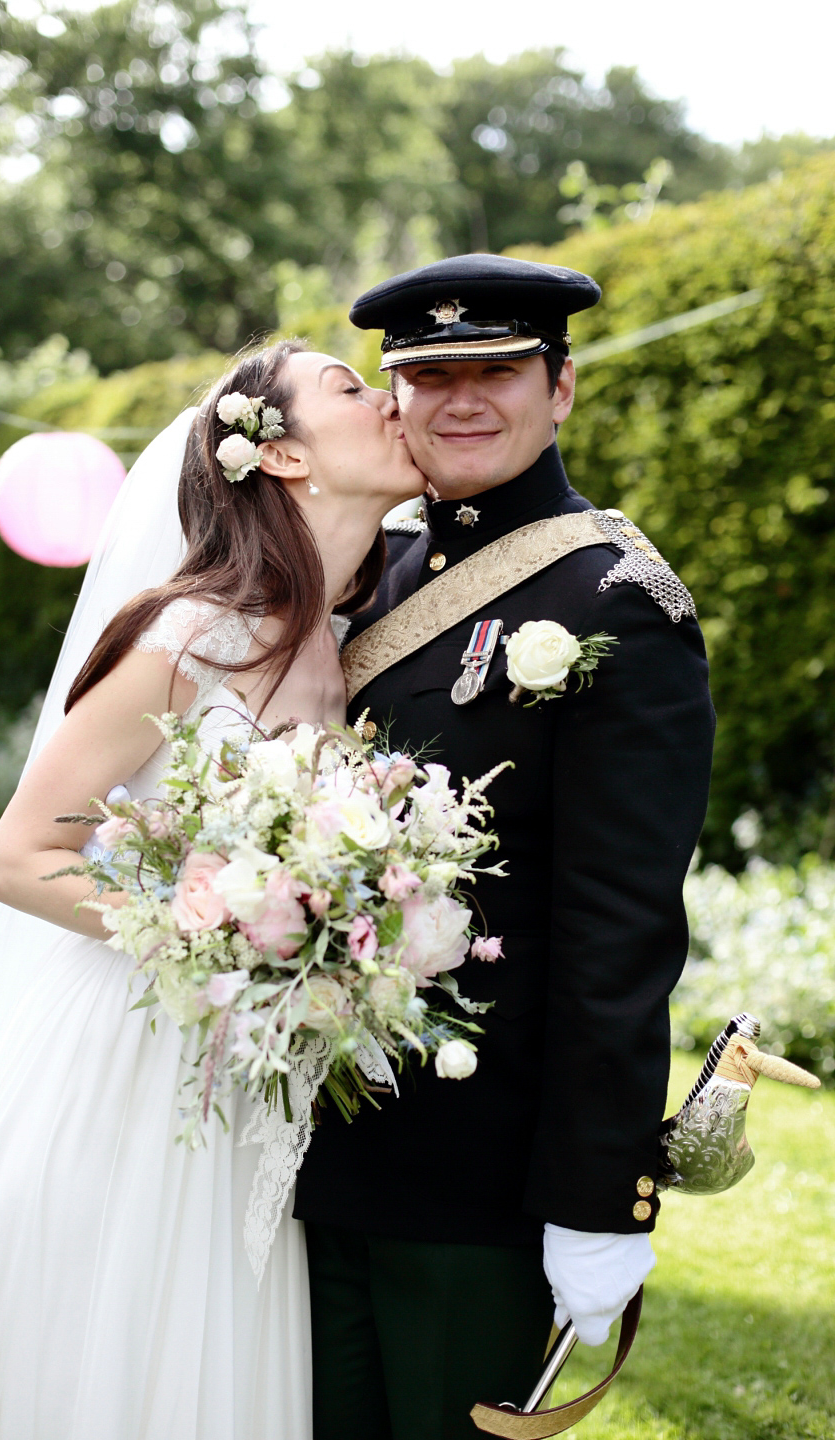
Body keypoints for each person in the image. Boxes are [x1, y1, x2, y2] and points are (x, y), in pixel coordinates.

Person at [0, 339, 425, 1440]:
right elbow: (21, 853)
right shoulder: (194, 632)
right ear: (282, 460)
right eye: (351, 390)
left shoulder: (351, 642)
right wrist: (198, 926)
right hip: (129, 1061)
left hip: (254, 1081)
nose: (390, 401)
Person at [293, 254, 717, 1440]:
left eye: (498, 369)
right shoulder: (371, 575)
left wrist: (599, 1198)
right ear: (397, 396)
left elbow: (619, 933)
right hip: (316, 1142)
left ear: (562, 387)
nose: (462, 398)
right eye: (431, 375)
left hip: (479, 1175)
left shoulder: (617, 599)